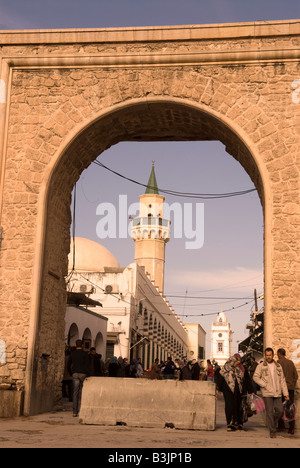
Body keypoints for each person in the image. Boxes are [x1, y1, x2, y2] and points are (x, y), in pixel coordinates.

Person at [253, 348, 289, 438]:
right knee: (269, 412)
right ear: (265, 356)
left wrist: (286, 393)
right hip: (267, 393)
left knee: (280, 411)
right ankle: (272, 431)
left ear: (273, 355)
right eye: (267, 355)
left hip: (277, 393)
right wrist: (263, 384)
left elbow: (282, 380)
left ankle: (271, 422)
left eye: (270, 355)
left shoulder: (278, 366)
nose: (268, 357)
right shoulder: (261, 366)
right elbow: (255, 377)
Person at [216, 354, 254, 432]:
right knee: (229, 406)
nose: (238, 362)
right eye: (237, 360)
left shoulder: (240, 369)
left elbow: (246, 380)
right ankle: (229, 424)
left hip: (238, 391)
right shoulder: (225, 369)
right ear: (232, 360)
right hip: (228, 391)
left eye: (239, 360)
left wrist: (251, 390)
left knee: (237, 407)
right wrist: (218, 390)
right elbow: (220, 380)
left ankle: (236, 423)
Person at [277, 348, 298, 435]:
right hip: (290, 389)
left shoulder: (278, 363)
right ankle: (291, 428)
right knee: (290, 409)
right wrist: (292, 383)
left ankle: (281, 426)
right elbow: (296, 375)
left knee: (280, 408)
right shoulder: (290, 363)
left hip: (281, 389)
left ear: (279, 354)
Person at [67, 340, 90, 417]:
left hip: (75, 373)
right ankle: (82, 409)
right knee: (83, 392)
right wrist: (88, 374)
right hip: (83, 373)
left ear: (76, 345)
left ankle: (74, 411)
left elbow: (68, 364)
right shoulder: (85, 354)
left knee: (75, 392)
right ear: (82, 345)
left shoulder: (72, 354)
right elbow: (87, 365)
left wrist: (71, 373)